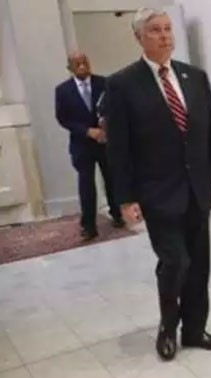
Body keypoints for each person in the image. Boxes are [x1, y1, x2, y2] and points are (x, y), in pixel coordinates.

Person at [105, 7, 211, 361]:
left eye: (167, 29)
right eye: (155, 30)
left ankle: (194, 330)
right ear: (139, 37)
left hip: (198, 188)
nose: (164, 36)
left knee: (199, 265)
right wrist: (125, 198)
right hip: (157, 192)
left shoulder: (195, 77)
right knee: (175, 261)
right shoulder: (122, 85)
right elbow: (119, 149)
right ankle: (168, 326)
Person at [55, 52, 124, 240]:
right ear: (70, 68)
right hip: (82, 145)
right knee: (86, 185)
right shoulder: (63, 90)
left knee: (111, 179)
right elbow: (63, 118)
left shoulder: (104, 83)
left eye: (85, 62)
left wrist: (106, 127)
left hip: (104, 141)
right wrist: (86, 131)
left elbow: (113, 107)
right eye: (77, 63)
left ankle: (117, 214)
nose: (82, 66)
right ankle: (88, 226)